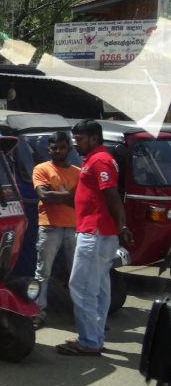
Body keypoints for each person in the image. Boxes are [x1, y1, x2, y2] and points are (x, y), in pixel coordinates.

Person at [56, 120, 134, 356]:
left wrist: (122, 226)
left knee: (81, 287)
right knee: (99, 288)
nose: (75, 145)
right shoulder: (93, 159)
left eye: (79, 140)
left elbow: (112, 194)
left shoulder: (100, 160)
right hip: (98, 234)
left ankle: (89, 341)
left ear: (93, 138)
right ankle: (94, 337)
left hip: (95, 234)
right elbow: (83, 195)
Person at [32, 131, 80, 329]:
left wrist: (58, 195)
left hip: (74, 227)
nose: (57, 151)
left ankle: (82, 314)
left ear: (69, 148)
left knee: (77, 273)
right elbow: (45, 196)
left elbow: (81, 202)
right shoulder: (41, 169)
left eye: (61, 147)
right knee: (43, 272)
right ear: (48, 149)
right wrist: (69, 195)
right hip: (50, 226)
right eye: (54, 148)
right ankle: (37, 312)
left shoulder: (78, 171)